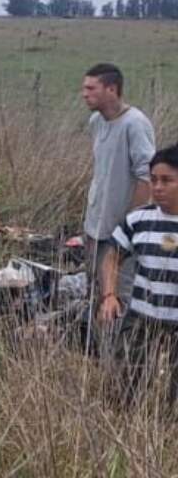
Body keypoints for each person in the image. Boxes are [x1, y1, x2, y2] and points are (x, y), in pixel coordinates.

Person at [99, 146, 178, 403]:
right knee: (125, 389)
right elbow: (112, 255)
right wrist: (109, 294)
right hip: (142, 318)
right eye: (154, 180)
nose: (157, 187)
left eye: (167, 181)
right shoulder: (138, 219)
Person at [81, 63, 155, 318]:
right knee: (94, 291)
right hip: (95, 225)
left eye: (91, 88)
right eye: (84, 88)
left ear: (111, 89)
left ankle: (117, 356)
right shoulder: (96, 122)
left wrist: (131, 225)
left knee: (118, 296)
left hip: (120, 230)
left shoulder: (135, 124)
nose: (84, 94)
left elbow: (146, 177)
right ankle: (93, 353)